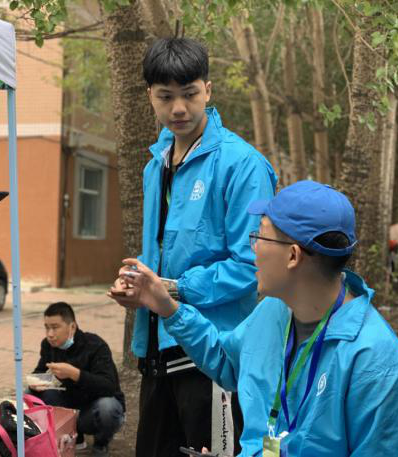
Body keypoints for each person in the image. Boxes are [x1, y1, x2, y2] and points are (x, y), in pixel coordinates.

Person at [118, 180, 398, 456]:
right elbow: (227, 360)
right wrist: (167, 306)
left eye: (260, 235)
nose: (253, 248)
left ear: (293, 256)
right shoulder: (274, 310)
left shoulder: (376, 364)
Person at [108, 37, 276, 456]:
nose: (178, 108)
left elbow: (252, 266)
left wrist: (171, 289)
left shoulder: (243, 164)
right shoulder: (156, 165)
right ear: (149, 95)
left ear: (208, 90)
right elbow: (161, 253)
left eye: (190, 94)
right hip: (156, 352)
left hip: (214, 359)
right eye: (166, 97)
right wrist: (137, 283)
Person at [29, 302, 125, 457]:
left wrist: (75, 374)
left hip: (92, 410)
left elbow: (109, 386)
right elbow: (40, 371)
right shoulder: (48, 345)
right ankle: (72, 437)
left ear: (72, 327)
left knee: (108, 407)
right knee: (30, 394)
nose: (50, 334)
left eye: (55, 327)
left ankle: (101, 444)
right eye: (47, 328)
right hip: (68, 407)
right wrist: (35, 381)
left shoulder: (95, 345)